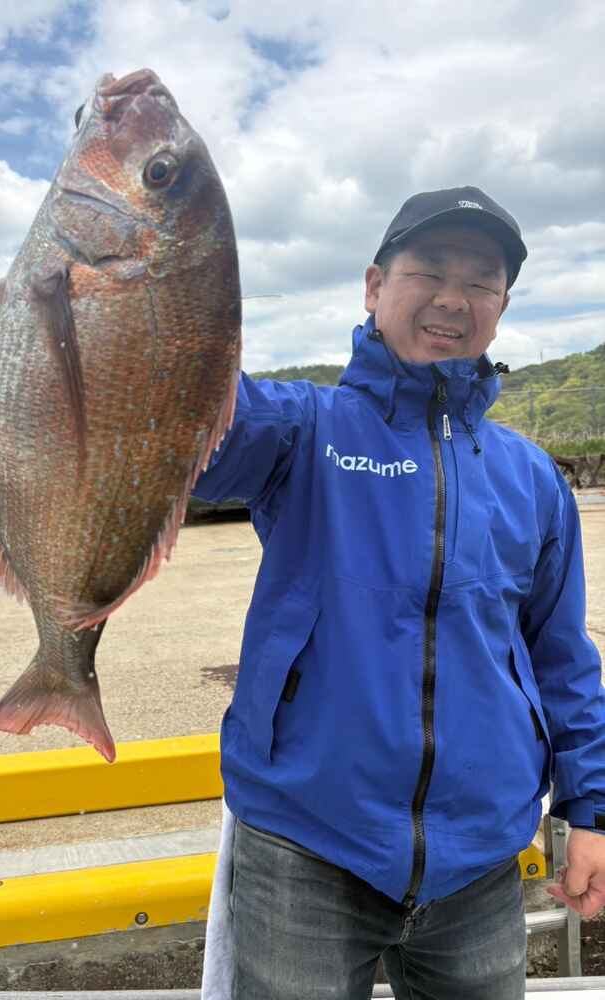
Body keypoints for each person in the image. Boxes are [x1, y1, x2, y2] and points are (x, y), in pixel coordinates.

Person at [193, 186, 605, 1000]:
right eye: (430, 270)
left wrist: (590, 809)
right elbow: (186, 423)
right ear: (374, 286)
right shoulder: (300, 428)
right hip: (305, 845)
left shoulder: (531, 476)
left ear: (502, 308)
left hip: (481, 861)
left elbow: (562, 657)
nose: (454, 298)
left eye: (481, 281)